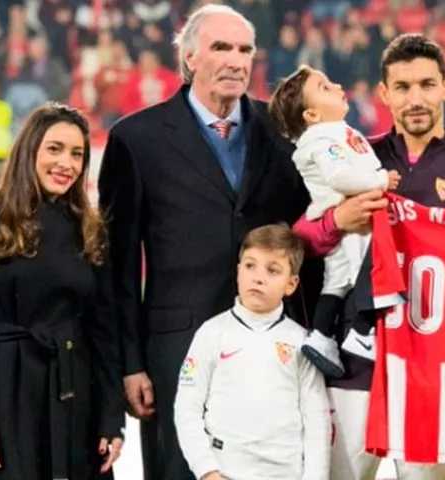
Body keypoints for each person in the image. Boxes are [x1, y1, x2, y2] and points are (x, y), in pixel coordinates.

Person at [297, 33, 445, 480]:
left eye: (426, 84)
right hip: (356, 359)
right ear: (384, 94)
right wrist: (338, 220)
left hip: (433, 371)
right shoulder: (353, 153)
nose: (416, 99)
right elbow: (299, 239)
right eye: (402, 88)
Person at [97, 5, 318, 479]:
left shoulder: (283, 131)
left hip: (270, 347)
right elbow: (117, 266)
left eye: (245, 50)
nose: (236, 60)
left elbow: (314, 230)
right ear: (190, 56)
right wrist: (130, 363)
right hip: (175, 351)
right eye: (221, 47)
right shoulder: (135, 139)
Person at [0, 103, 124, 479]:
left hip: (74, 397)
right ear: (29, 151)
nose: (67, 163)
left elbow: (105, 333)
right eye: (55, 149)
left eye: (78, 154)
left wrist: (112, 418)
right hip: (0, 398)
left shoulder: (90, 231)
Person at [269, 66, 401, 378]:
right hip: (353, 218)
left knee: (338, 282)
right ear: (311, 115)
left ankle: (321, 336)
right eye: (325, 87)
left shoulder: (337, 131)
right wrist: (381, 179)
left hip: (342, 220)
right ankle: (362, 331)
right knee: (370, 271)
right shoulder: (322, 137)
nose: (338, 84)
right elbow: (339, 176)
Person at [174, 224, 331, 480]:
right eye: (250, 266)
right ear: (238, 271)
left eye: (273, 270)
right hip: (224, 471)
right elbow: (186, 407)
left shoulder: (301, 342)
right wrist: (206, 470)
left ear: (291, 284)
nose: (258, 277)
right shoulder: (212, 333)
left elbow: (317, 420)